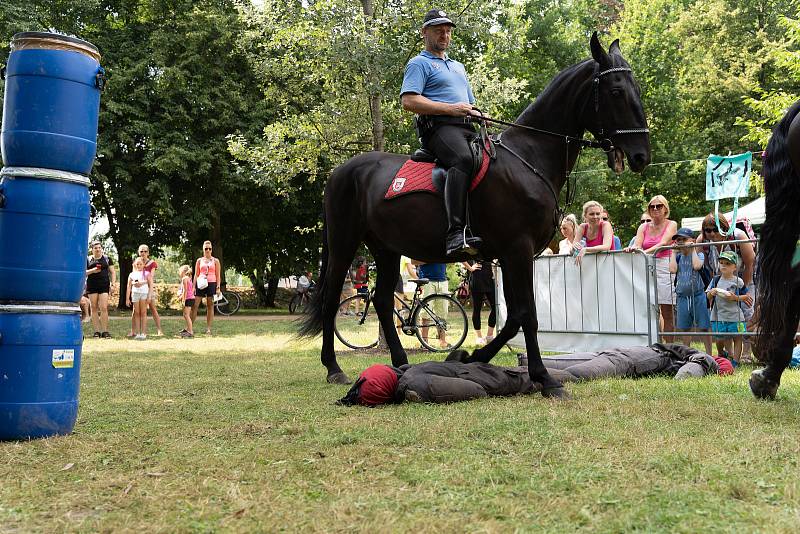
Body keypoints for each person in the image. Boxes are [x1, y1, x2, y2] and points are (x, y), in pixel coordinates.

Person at [335, 343, 732, 406]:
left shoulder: (412, 374)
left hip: (607, 355)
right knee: (588, 371)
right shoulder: (415, 379)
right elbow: (474, 390)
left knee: (581, 367)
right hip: (616, 360)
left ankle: (530, 366)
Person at [400, 9, 482, 257]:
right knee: (463, 159)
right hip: (439, 129)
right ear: (425, 33)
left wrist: (480, 114)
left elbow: (469, 103)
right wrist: (451, 109)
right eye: (438, 30)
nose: (444, 35)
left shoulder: (458, 67)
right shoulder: (419, 63)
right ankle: (455, 234)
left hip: (466, 127)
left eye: (447, 31)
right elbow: (409, 101)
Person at [626, 195, 678, 341]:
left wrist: (643, 252)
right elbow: (637, 244)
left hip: (664, 266)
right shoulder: (643, 226)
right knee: (649, 310)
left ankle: (669, 348)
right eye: (652, 206)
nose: (655, 209)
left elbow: (663, 243)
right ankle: (655, 345)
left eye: (659, 206)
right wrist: (633, 249)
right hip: (647, 265)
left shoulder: (671, 224)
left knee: (666, 311)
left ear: (665, 208)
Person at [669, 228, 712, 354]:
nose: (681, 242)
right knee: (684, 328)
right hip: (682, 297)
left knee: (704, 326)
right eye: (679, 240)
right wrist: (672, 252)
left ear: (692, 240)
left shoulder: (699, 254)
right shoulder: (677, 257)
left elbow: (697, 266)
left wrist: (693, 248)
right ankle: (686, 353)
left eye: (684, 239)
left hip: (698, 295)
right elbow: (672, 270)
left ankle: (709, 353)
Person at [706, 251, 752, 366]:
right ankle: (722, 354)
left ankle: (735, 361)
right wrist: (711, 293)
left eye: (727, 263)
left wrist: (735, 297)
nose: (723, 265)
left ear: (735, 267)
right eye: (721, 263)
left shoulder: (738, 281)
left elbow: (746, 296)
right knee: (719, 338)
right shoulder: (715, 280)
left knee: (737, 338)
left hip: (735, 316)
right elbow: (707, 295)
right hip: (718, 316)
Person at [128, 245, 164, 338]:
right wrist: (135, 284)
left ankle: (159, 330)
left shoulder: (152, 263)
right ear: (138, 252)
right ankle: (133, 331)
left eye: (145, 251)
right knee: (135, 311)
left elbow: (151, 277)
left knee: (152, 308)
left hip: (148, 289)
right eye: (141, 251)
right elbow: (133, 276)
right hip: (138, 290)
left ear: (148, 253)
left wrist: (142, 283)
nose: (143, 253)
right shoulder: (136, 262)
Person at [415, 260, 450, 348]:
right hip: (427, 281)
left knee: (442, 313)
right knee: (425, 313)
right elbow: (413, 261)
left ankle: (442, 341)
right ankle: (424, 342)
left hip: (443, 280)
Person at [85, 241, 116, 338]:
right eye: (95, 248)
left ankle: (105, 331)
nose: (98, 249)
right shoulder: (87, 259)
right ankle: (97, 332)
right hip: (92, 285)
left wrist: (113, 284)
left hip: (104, 285)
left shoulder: (107, 259)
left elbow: (113, 272)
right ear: (92, 249)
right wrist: (93, 270)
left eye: (99, 248)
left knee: (103, 308)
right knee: (93, 308)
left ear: (101, 248)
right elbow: (83, 272)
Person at [191, 241, 222, 335]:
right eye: (206, 248)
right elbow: (196, 274)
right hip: (200, 283)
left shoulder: (216, 261)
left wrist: (218, 287)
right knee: (195, 305)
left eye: (210, 248)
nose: (208, 250)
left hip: (212, 283)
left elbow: (218, 275)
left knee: (210, 306)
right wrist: (193, 286)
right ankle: (190, 327)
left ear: (212, 249)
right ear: (203, 249)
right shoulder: (199, 260)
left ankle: (208, 328)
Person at [462, 260, 496, 345]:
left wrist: (495, 275)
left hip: (489, 278)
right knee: (477, 309)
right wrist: (470, 268)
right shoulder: (471, 246)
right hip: (477, 278)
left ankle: (489, 336)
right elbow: (461, 257)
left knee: (496, 308)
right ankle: (479, 337)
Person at [126, 256, 152, 340]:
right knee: (137, 313)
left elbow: (151, 285)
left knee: (143, 312)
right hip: (135, 294)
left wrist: (149, 296)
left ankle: (144, 333)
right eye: (137, 264)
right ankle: (137, 333)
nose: (139, 265)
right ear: (134, 264)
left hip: (144, 294)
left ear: (143, 264)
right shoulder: (132, 274)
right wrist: (127, 298)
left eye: (140, 264)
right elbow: (128, 286)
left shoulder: (147, 273)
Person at [177, 265, 194, 338]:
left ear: (183, 272)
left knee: (186, 315)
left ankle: (190, 331)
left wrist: (183, 299)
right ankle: (188, 329)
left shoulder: (184, 279)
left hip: (188, 298)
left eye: (180, 271)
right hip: (191, 298)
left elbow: (185, 290)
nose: (179, 273)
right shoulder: (189, 278)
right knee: (185, 314)